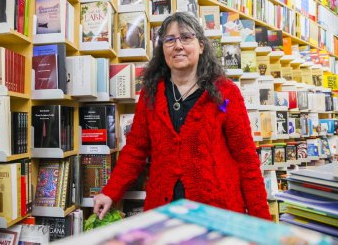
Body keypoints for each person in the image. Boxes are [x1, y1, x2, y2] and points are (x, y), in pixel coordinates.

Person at [94, 12, 271, 221]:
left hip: (217, 213)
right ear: (163, 49)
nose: (178, 45)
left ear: (201, 45)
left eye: (186, 38)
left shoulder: (225, 93)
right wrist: (110, 192)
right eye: (170, 40)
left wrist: (262, 223)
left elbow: (246, 159)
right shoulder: (151, 95)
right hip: (164, 213)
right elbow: (135, 150)